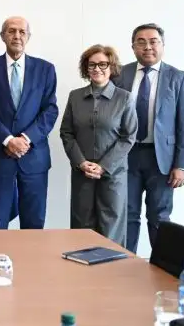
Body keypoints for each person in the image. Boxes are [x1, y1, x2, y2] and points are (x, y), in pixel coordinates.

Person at [115, 24, 184, 254]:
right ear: (133, 47)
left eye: (153, 41)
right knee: (127, 214)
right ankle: (125, 265)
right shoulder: (120, 74)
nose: (147, 47)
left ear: (162, 45)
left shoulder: (178, 77)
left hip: (163, 160)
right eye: (141, 42)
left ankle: (161, 267)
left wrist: (182, 165)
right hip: (126, 155)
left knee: (159, 216)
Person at [0, 16, 58, 229]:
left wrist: (25, 139)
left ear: (28, 36)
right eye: (11, 31)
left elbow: (50, 110)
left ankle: (31, 256)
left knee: (34, 224)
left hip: (34, 157)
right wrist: (7, 140)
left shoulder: (45, 69)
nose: (17, 36)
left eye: (22, 32)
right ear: (2, 36)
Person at [60, 44, 137, 246]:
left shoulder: (124, 98)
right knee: (81, 227)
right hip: (82, 173)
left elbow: (128, 137)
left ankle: (113, 267)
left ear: (111, 67)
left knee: (111, 230)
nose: (97, 69)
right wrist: (81, 162)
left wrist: (103, 166)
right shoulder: (75, 96)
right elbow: (67, 133)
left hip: (112, 174)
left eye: (103, 64)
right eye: (92, 64)